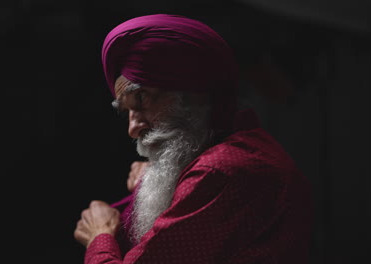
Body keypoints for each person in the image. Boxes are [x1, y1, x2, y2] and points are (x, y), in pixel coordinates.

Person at [73, 14, 313, 264]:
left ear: (192, 94)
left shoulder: (219, 172)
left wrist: (99, 234)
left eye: (142, 100)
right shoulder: (243, 151)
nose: (132, 129)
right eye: (127, 112)